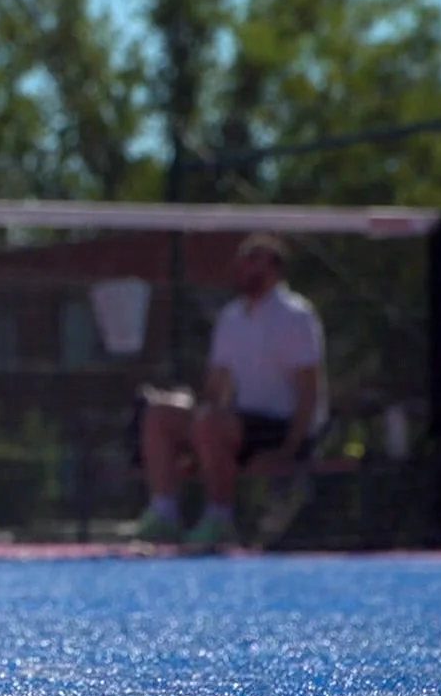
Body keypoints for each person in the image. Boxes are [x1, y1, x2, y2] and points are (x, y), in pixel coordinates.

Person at [133, 232, 328, 550]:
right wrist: (194, 433)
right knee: (160, 414)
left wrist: (292, 448)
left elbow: (309, 390)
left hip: (278, 426)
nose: (242, 266)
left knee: (211, 422)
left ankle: (218, 519)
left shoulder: (296, 316)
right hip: (234, 423)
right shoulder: (231, 317)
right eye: (242, 258)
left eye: (253, 258)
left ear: (275, 269)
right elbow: (215, 387)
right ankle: (164, 514)